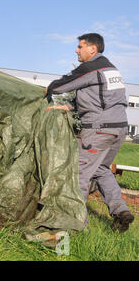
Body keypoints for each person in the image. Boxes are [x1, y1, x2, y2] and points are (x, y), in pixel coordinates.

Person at [46, 33, 134, 233]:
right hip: (118, 129)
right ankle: (120, 211)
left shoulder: (92, 67)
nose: (76, 50)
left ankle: (76, 225)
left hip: (98, 131)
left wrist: (49, 89)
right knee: (101, 169)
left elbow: (64, 84)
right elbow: (99, 98)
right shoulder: (111, 69)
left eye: (80, 47)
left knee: (79, 174)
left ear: (92, 49)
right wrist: (69, 107)